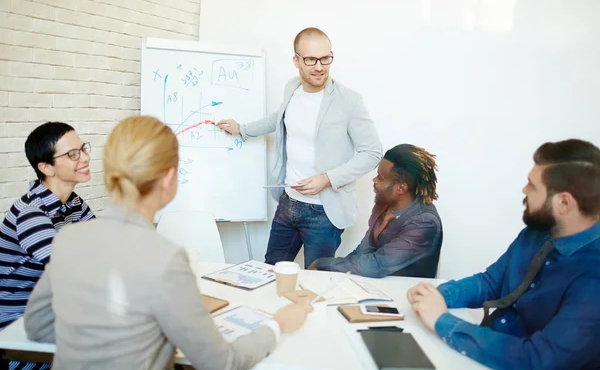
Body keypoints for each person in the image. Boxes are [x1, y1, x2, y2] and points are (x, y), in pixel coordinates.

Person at [24, 115, 313, 370]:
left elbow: (36, 326)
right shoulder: (166, 258)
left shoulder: (67, 239)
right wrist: (278, 325)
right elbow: (222, 363)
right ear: (169, 178)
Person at [407, 139, 600, 370]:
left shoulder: (593, 277)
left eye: (532, 185)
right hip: (486, 349)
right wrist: (435, 296)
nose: (524, 190)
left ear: (564, 202)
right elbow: (491, 282)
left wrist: (442, 321)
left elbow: (537, 360)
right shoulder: (538, 232)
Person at [217, 27, 382, 268]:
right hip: (288, 204)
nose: (319, 66)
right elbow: (280, 117)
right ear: (296, 60)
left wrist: (327, 178)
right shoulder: (291, 88)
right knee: (270, 271)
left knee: (315, 281)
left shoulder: (349, 101)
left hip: (324, 212)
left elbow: (372, 152)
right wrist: (242, 128)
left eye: (326, 58)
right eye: (311, 59)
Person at [0, 122, 94, 331]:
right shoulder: (31, 213)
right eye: (72, 154)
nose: (85, 157)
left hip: (58, 311)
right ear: (46, 167)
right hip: (19, 327)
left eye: (83, 149)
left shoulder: (75, 204)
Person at [308, 144, 443, 278]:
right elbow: (363, 253)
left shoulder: (424, 222)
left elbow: (377, 264)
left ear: (401, 188)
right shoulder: (384, 205)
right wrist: (338, 272)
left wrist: (324, 264)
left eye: (380, 178)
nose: (374, 180)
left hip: (408, 294)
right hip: (377, 286)